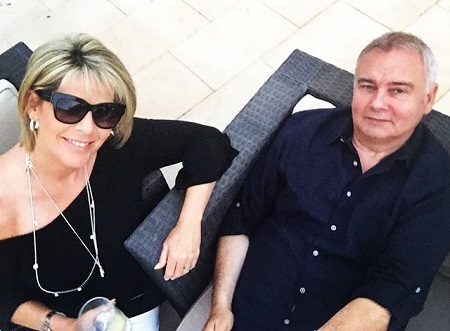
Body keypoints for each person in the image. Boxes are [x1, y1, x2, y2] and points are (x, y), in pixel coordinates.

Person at [203, 31, 450, 331]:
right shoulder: (301, 132)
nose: (377, 103)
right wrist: (221, 308)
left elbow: (394, 290)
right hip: (243, 316)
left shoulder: (436, 182)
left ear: (427, 99)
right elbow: (242, 218)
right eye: (367, 86)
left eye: (398, 91)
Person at [0, 33, 237, 331]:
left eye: (106, 112)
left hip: (134, 300)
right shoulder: (4, 198)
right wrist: (64, 325)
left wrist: (189, 224)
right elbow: (4, 295)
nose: (87, 129)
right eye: (69, 108)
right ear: (33, 105)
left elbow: (208, 142)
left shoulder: (115, 145)